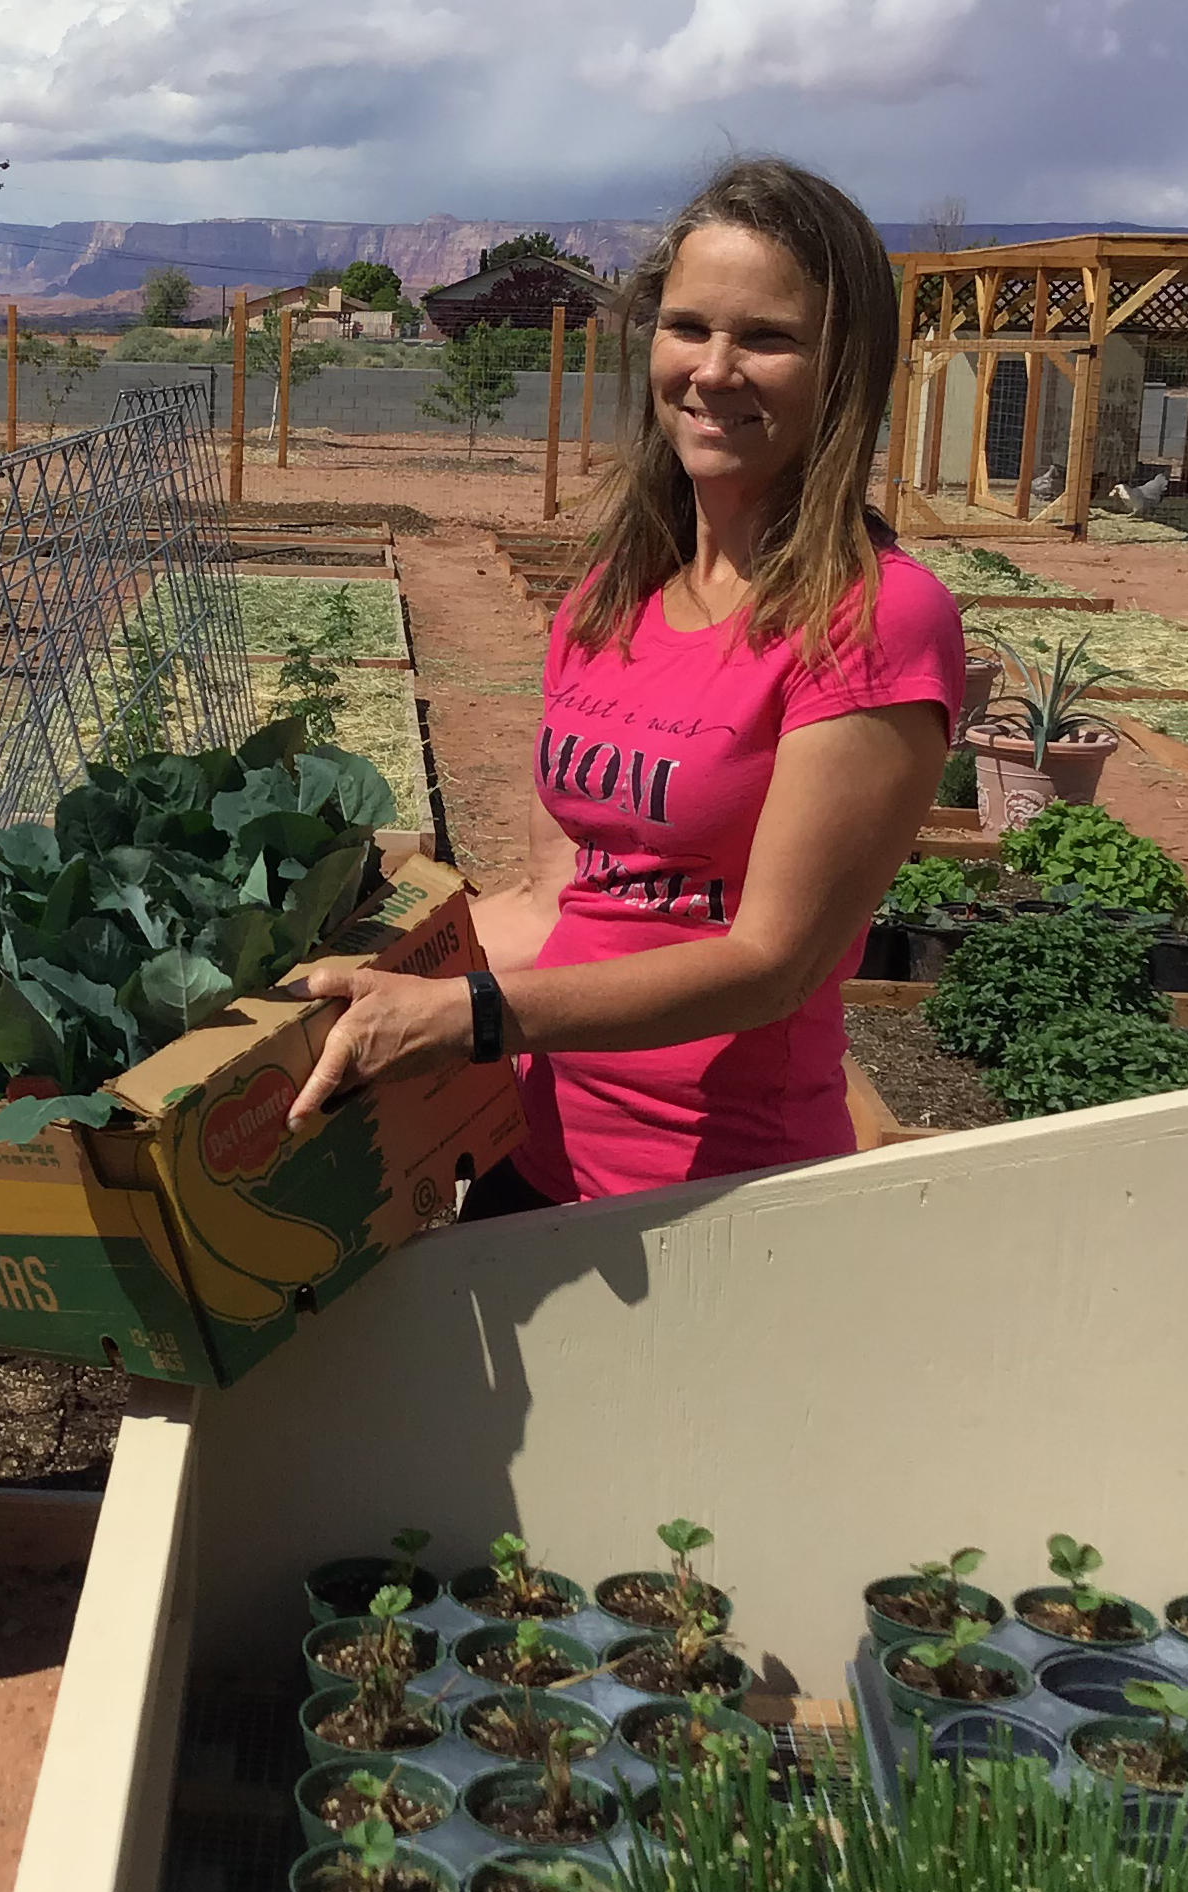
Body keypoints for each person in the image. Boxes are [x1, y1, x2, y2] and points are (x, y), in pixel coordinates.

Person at [289, 158, 962, 1206]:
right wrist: (324, 968)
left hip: (726, 1193)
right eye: (689, 325)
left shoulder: (872, 619)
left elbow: (772, 963)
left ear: (845, 367)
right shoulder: (611, 599)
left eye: (769, 338)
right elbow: (557, 901)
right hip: (536, 1150)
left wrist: (460, 1016)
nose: (715, 367)